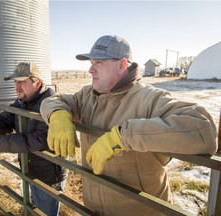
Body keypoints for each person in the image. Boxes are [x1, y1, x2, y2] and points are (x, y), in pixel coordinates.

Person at [40, 35, 217, 215]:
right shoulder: (88, 95)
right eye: (91, 62)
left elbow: (204, 129)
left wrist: (123, 137)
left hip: (142, 210)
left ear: (122, 65)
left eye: (99, 63)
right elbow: (52, 101)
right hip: (92, 208)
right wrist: (58, 115)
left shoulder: (149, 98)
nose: (90, 70)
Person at [0, 61, 67, 216]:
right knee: (34, 209)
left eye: (22, 82)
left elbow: (41, 138)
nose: (17, 87)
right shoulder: (23, 101)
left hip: (48, 173)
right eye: (15, 82)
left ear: (37, 82)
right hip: (31, 167)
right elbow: (5, 119)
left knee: (46, 212)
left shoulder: (50, 102)